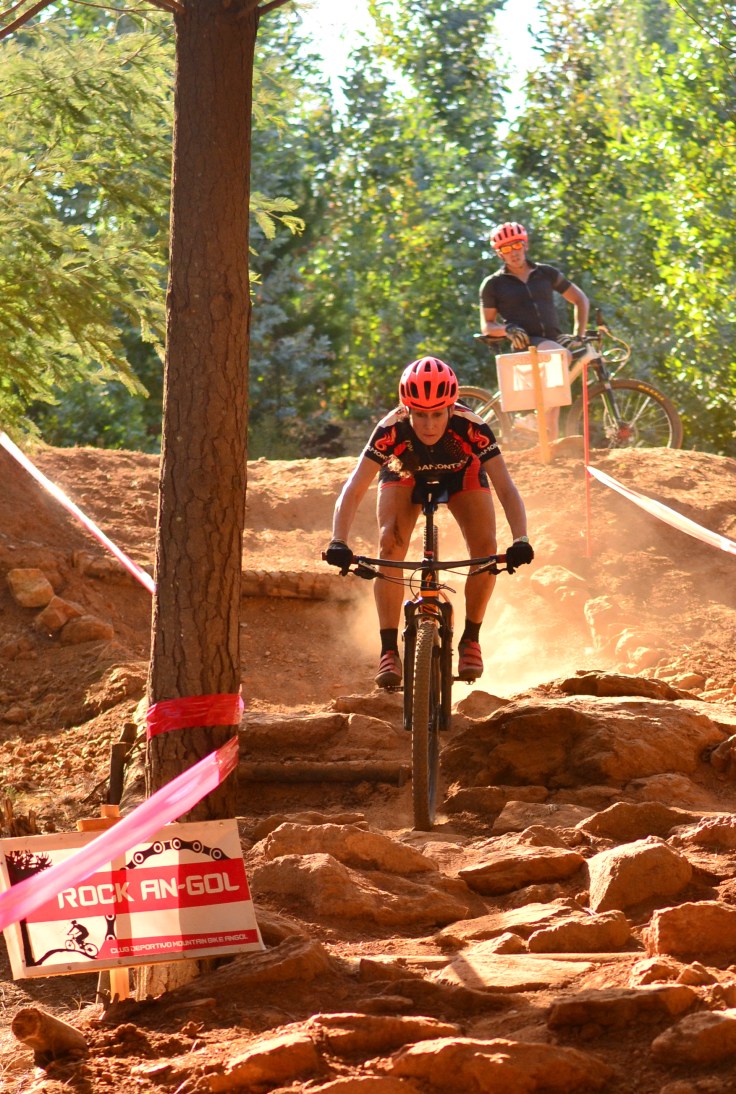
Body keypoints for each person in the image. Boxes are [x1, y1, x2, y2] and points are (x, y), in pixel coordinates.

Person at [324, 356, 534, 689]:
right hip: (403, 472)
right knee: (389, 544)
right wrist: (338, 540)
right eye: (419, 415)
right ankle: (389, 649)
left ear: (452, 408)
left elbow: (506, 487)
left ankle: (471, 639)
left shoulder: (473, 426)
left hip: (461, 474)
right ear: (406, 410)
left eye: (438, 414)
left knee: (486, 548)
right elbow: (354, 487)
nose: (429, 425)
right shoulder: (390, 429)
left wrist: (521, 538)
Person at [479, 221, 590, 440]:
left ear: (525, 244)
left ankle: (548, 454)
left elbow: (581, 300)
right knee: (560, 358)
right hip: (525, 343)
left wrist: (579, 334)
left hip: (551, 340)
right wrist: (507, 329)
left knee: (555, 400)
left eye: (517, 245)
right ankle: (531, 416)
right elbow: (487, 326)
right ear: (499, 253)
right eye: (505, 249)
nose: (513, 252)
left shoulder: (546, 273)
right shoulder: (493, 284)